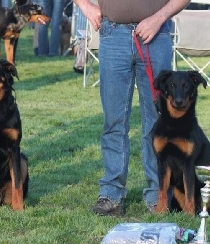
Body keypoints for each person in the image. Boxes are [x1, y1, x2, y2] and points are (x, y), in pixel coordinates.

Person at [73, 0, 190, 216]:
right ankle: (111, 193)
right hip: (112, 34)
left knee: (158, 122)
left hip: (156, 34)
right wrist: (86, 7)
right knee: (113, 121)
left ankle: (159, 194)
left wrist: (158, 18)